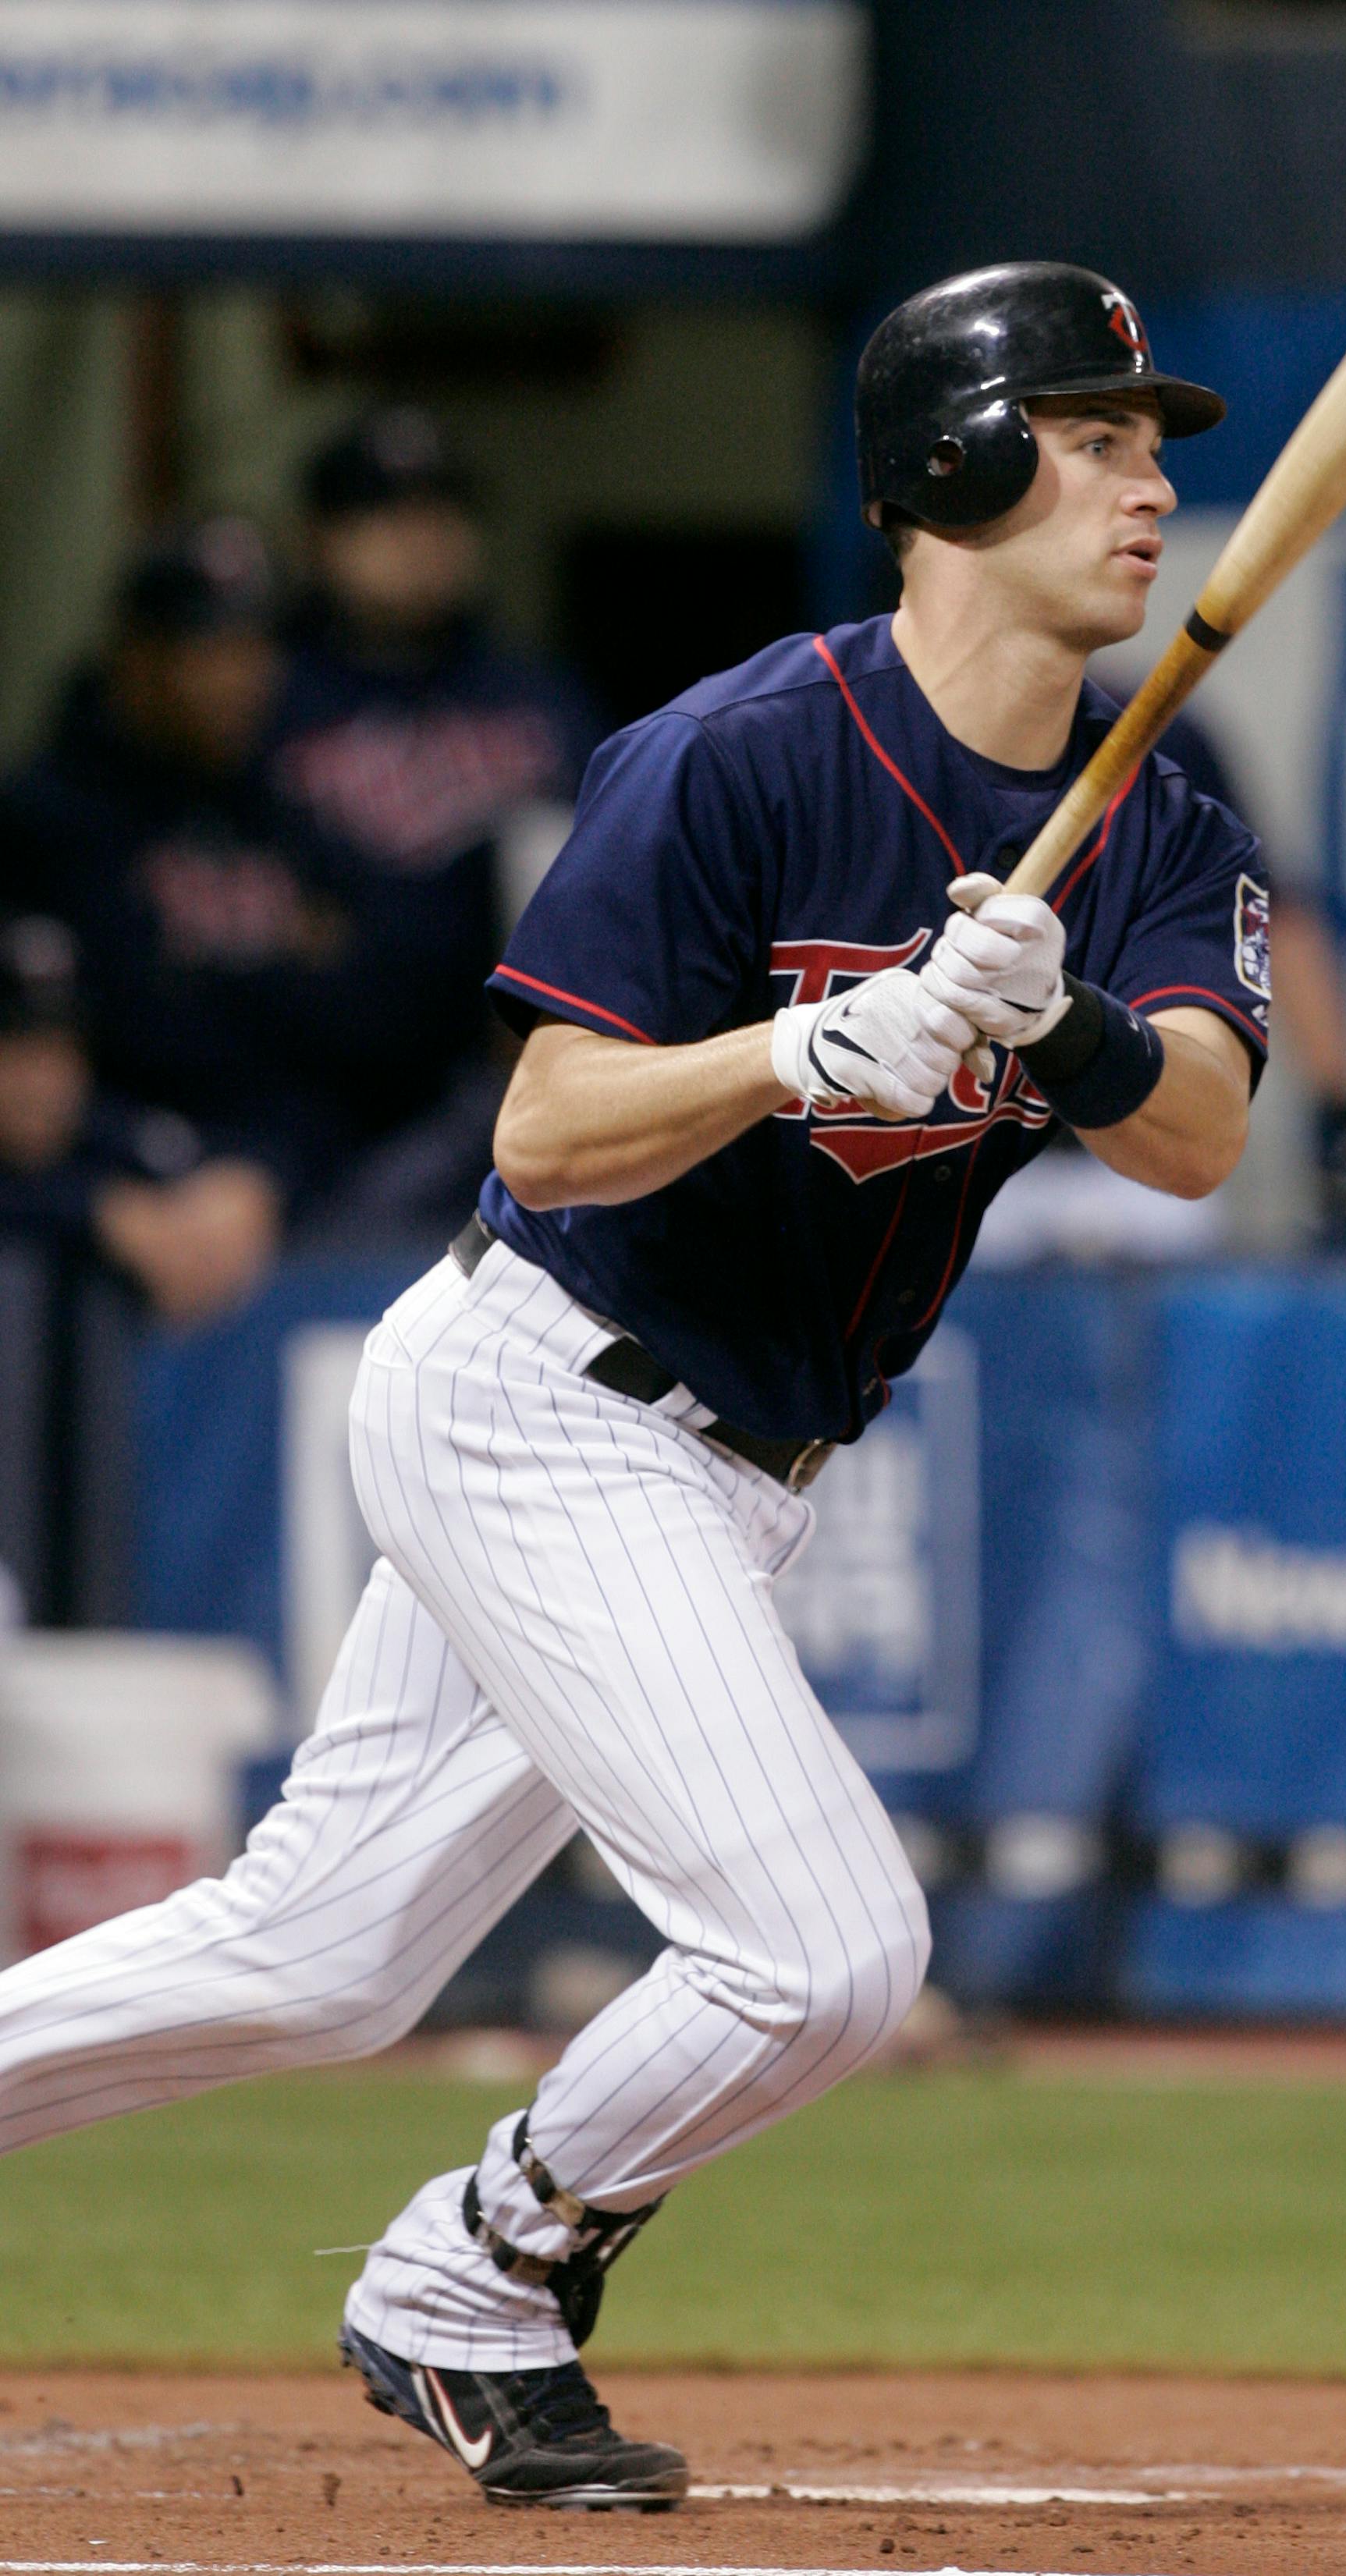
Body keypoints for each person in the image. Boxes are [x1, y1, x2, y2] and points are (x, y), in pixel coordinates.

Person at [0, 264, 1266, 2509]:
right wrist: (800, 1047)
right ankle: (478, 2265)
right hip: (544, 1386)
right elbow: (549, 1125)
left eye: (1150, 444)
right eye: (1092, 438)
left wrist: (1059, 1025)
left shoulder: (1145, 813)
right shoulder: (745, 747)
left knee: (318, 1955)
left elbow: (1198, 1135)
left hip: (738, 1454)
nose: (1148, 485)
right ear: (954, 465)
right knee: (828, 1951)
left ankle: (461, 2290)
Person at [0, 517, 460, 1220]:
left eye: (256, 649)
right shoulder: (47, 818)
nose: (242, 679)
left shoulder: (282, 806)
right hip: (117, 1180)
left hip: (306, 1168)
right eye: (209, 650)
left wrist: (218, 992)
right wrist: (284, 973)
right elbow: (108, 1036)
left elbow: (394, 1010)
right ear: (138, 657)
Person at [266, 408, 604, 1173]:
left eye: (443, 511)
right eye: (387, 514)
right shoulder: (268, 699)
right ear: (318, 537)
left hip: (516, 1076)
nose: (422, 540)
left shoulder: (536, 695)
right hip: (328, 1101)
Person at [0, 912, 278, 1320]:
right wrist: (98, 1211)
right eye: (18, 1055)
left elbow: (194, 1156)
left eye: (61, 1053)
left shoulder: (91, 1127)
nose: (43, 1084)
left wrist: (237, 1189)